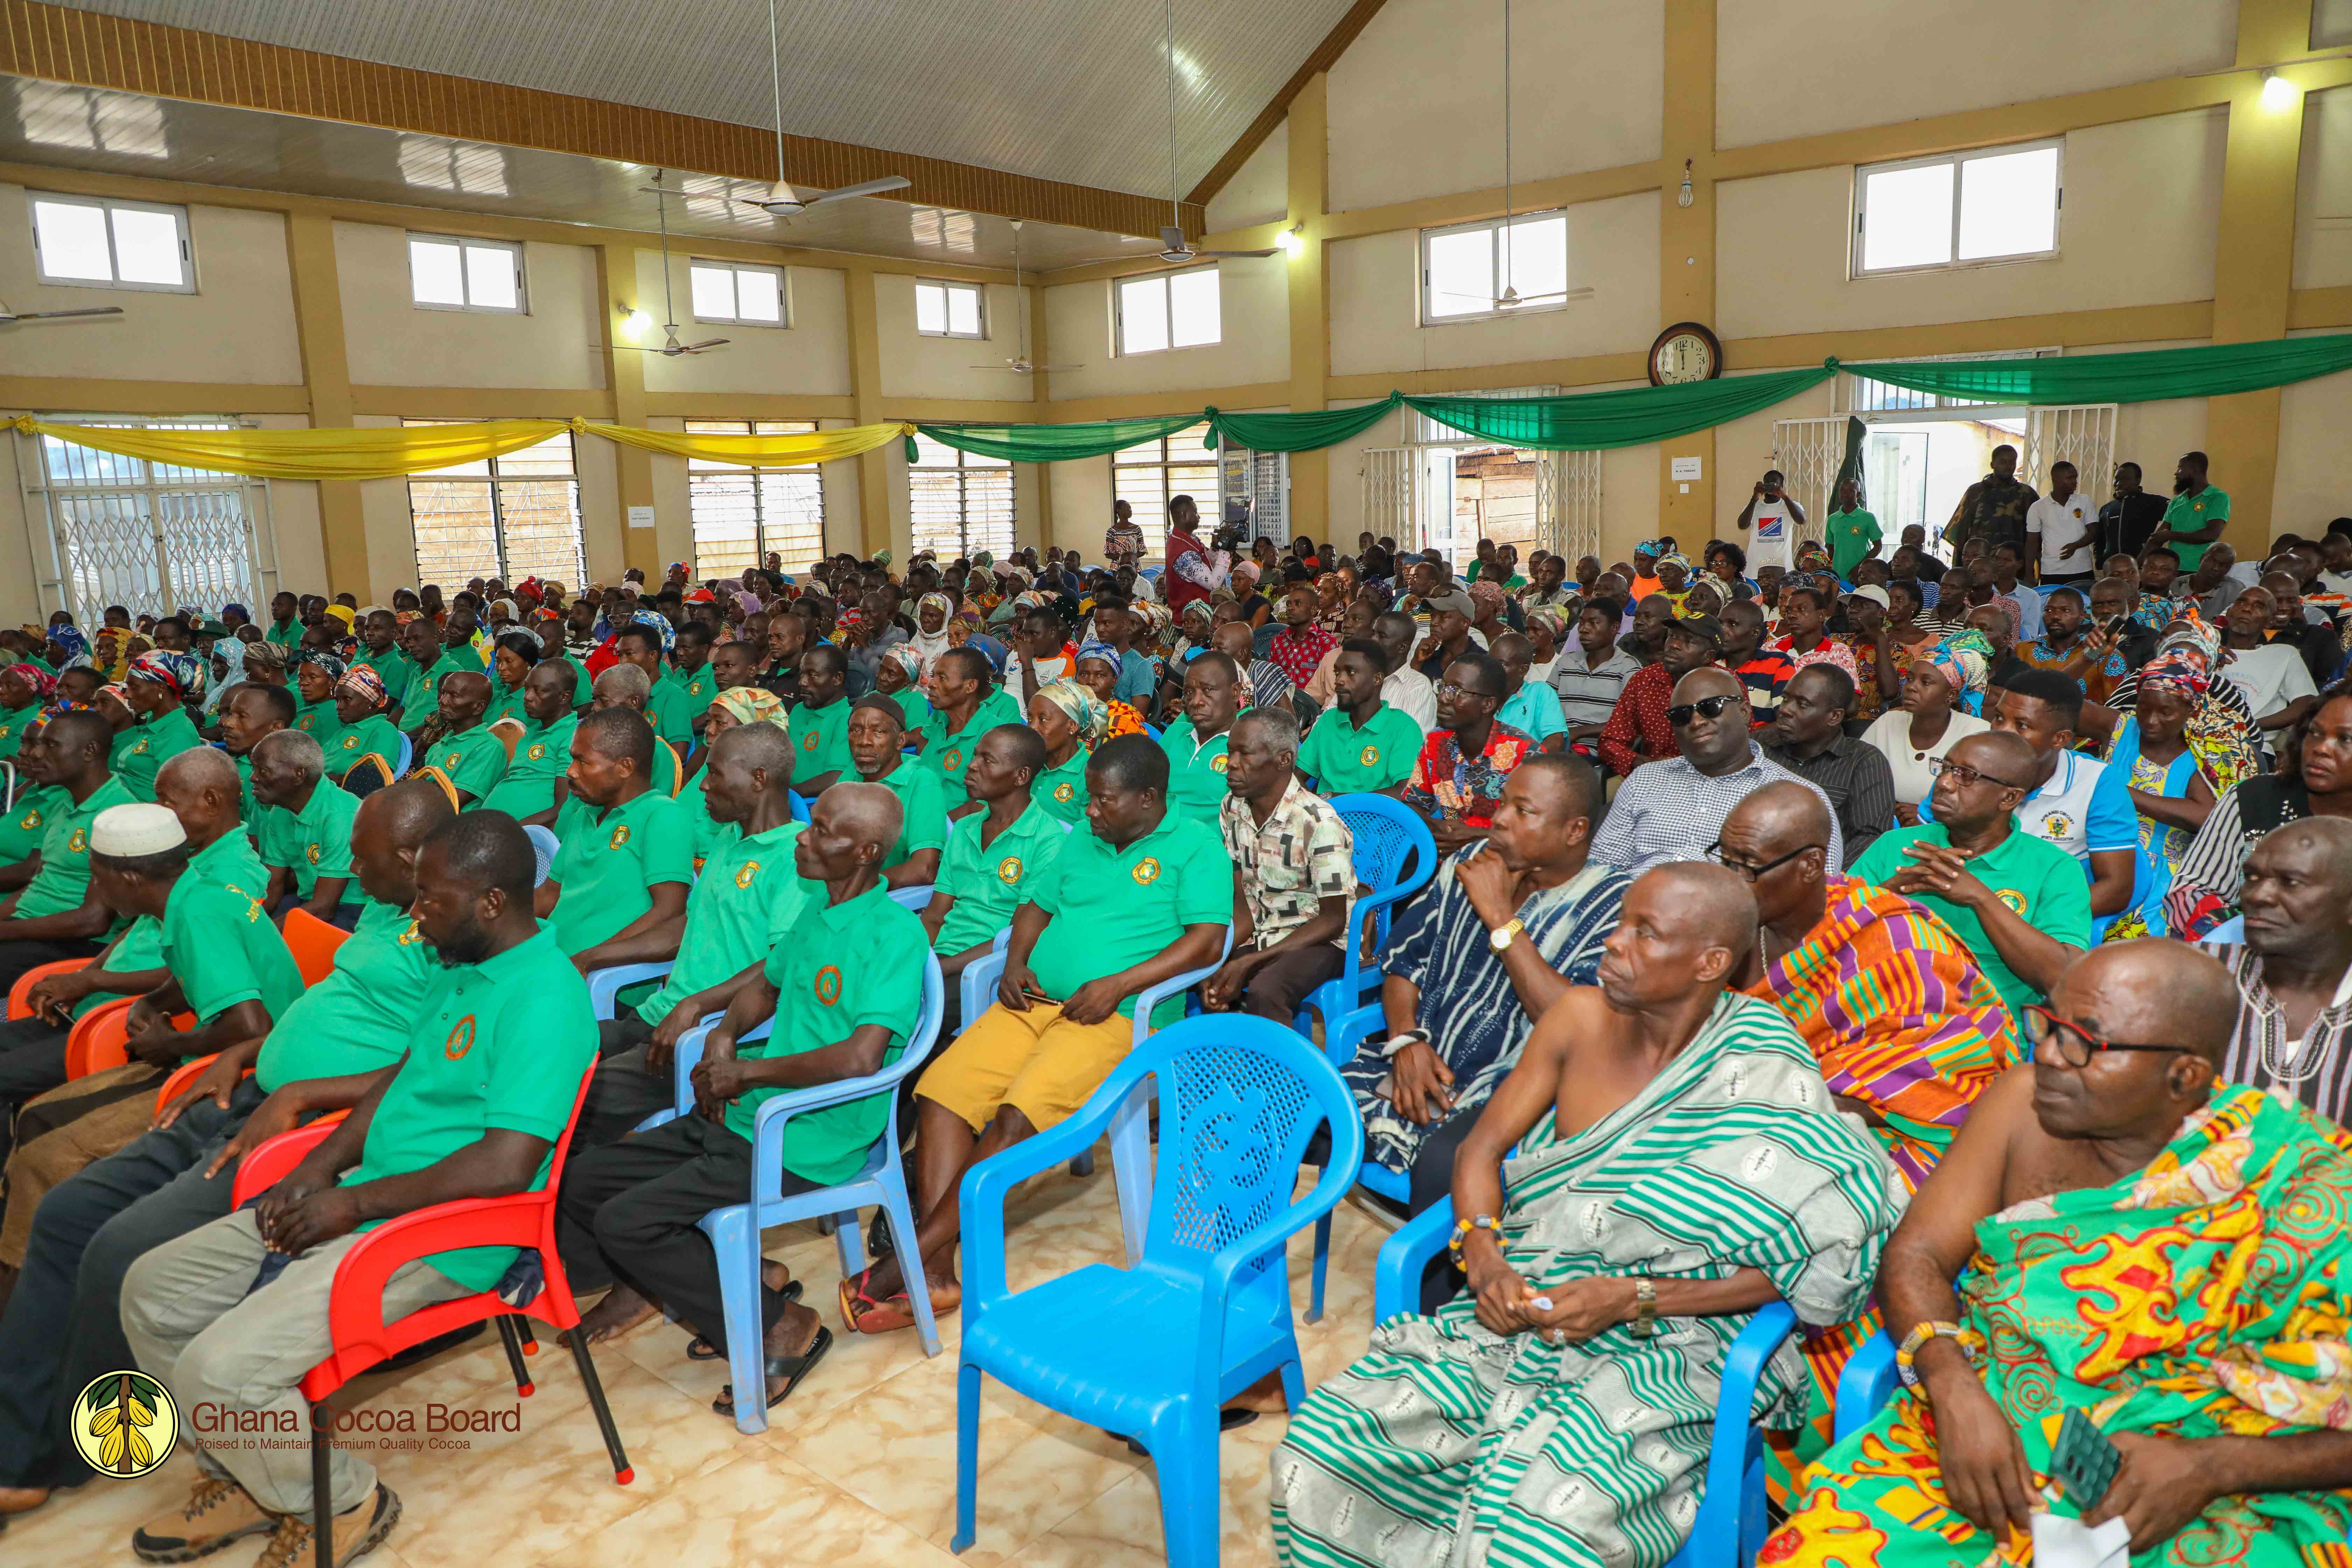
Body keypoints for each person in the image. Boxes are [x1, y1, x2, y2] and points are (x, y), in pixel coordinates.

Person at [1273, 863, 1899, 1568]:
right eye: (1622, 919)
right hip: (1524, 1305)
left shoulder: (1760, 1059)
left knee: (1536, 1536)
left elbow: (1807, 1262)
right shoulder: (1576, 1017)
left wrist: (1635, 1295)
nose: (1614, 941)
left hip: (1676, 1341)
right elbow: (1480, 1150)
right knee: (1325, 1447)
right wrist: (1482, 1256)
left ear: (1712, 962)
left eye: (1644, 932)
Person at [1771, 941, 2352, 1568]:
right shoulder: (2020, 1105)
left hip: (2204, 1468)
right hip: (1993, 1427)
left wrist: (2213, 1467)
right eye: (2048, 1025)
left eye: (2082, 1043)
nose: (2046, 1054)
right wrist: (1953, 1388)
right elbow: (1917, 1254)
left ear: (2183, 1076)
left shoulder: (2302, 1176)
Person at [116, 810, 596, 1567]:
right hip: (372, 1194)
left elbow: (505, 1164)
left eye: (432, 898)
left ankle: (341, 1499)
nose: (416, 912)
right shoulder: (457, 964)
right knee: (152, 1289)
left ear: (493, 903)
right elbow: (400, 1079)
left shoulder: (546, 996)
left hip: (452, 1229)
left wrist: (350, 1203)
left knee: (224, 1369)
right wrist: (319, 1167)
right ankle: (251, 1471)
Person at [0, 782, 454, 1521]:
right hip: (247, 1092)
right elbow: (314, 1008)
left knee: (119, 1250)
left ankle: (61, 1451)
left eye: (361, 853)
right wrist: (247, 1050)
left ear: (409, 859)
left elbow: (435, 1066)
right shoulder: (385, 904)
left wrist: (302, 1092)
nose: (346, 866)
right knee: (65, 1208)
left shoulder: (448, 930)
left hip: (310, 1132)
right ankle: (16, 1427)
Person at [556, 784, 925, 1414]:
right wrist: (725, 1034)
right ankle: (731, 1280)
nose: (804, 836)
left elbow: (861, 1058)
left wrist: (751, 1076)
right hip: (752, 1113)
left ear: (864, 852)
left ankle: (784, 1325)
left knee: (629, 1221)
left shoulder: (893, 935)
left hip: (811, 1134)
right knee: (586, 1177)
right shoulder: (818, 908)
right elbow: (766, 986)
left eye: (823, 831)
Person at [842, 735, 1225, 1332]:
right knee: (941, 1093)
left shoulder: (1196, 846)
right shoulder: (1083, 843)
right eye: (1091, 799)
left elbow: (1206, 941)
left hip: (1116, 1018)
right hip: (1034, 1001)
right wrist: (1016, 961)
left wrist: (1117, 985)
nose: (1091, 811)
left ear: (1148, 799)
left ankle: (910, 1262)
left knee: (1015, 1117)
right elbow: (1035, 910)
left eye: (1104, 801)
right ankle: (937, 1273)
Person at [1337, 754, 1627, 1232]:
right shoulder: (1468, 864)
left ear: (1575, 831)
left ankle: (1443, 1300)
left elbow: (1573, 1023)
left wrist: (1499, 919)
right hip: (1417, 1055)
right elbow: (1403, 962)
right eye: (1504, 803)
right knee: (1288, 1108)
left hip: (1514, 1090)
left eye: (1523, 811)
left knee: (1446, 1166)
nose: (1499, 818)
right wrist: (1407, 1040)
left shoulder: (1610, 906)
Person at [1721, 782, 2016, 1191]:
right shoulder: (1720, 922)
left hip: (1880, 1132)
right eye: (1725, 860)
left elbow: (1945, 1069)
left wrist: (1773, 1102)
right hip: (1745, 1108)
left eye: (1749, 867)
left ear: (1810, 865)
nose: (1733, 880)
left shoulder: (1898, 944)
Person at [1851, 730, 2091, 1024]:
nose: (1943, 783)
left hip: (1986, 1037)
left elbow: (2060, 978)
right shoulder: (1896, 845)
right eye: (1945, 768)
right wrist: (1889, 896)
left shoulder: (2055, 868)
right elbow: (1827, 937)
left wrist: (1980, 898)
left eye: (1965, 776)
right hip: (1882, 1022)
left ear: (2009, 798)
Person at [1920, 666, 2137, 921]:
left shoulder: (2096, 783)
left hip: (2040, 920)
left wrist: (2016, 921)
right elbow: (1925, 847)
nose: (2002, 732)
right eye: (1999, 718)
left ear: (2060, 739)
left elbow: (2116, 890)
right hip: (1954, 912)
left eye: (2022, 725)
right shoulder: (1964, 769)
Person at [1591, 666, 1844, 876]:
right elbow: (1600, 873)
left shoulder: (1800, 799)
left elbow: (1816, 901)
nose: (1697, 722)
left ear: (1745, 712)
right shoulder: (1645, 780)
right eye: (1681, 716)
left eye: (1710, 708)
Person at [1202, 708, 1354, 1022]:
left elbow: (1334, 920)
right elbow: (1242, 898)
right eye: (1231, 752)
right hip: (1261, 929)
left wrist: (1250, 961)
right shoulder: (1232, 807)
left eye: (1245, 754)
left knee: (1266, 990)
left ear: (1284, 760)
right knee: (1203, 969)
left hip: (1320, 939)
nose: (1231, 763)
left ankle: (1276, 1071)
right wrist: (1221, 954)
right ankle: (1226, 1059)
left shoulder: (1317, 821)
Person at [920, 725, 1066, 1034]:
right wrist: (916, 958)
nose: (972, 766)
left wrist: (937, 970)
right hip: (939, 958)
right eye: (975, 756)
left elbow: (1018, 934)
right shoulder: (965, 829)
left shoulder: (1047, 839)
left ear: (1021, 776)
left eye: (988, 760)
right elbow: (934, 916)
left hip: (990, 968)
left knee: (905, 1018)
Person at [540, 707, 692, 962]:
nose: (570, 771)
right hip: (551, 958)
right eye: (572, 760)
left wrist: (591, 958)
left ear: (625, 767)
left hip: (606, 971)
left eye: (584, 762)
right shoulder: (585, 813)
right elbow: (549, 894)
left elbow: (669, 912)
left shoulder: (663, 816)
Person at [0, 709, 134, 994]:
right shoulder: (64, 803)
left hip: (74, 943)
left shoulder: (118, 814)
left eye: (50, 745)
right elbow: (37, 884)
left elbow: (93, 921)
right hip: (31, 929)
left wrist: (5, 931)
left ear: (89, 751)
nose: (36, 754)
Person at [1758, 664, 1894, 868]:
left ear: (1834, 717)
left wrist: (1826, 883)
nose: (1785, 710)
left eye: (1802, 705)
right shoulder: (1759, 748)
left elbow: (1869, 839)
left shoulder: (1864, 761)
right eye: (1786, 699)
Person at [1401, 651, 1533, 852]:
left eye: (1456, 691)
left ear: (1488, 704)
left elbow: (1538, 830)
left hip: (1503, 864)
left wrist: (1478, 838)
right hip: (1443, 858)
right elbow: (1413, 804)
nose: (1443, 698)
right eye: (1443, 687)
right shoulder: (1435, 742)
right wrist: (1434, 826)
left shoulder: (1524, 753)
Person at [1862, 649, 1991, 825]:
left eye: (1926, 683)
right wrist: (1887, 808)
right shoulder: (1888, 722)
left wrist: (1928, 815)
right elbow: (1857, 776)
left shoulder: (1976, 733)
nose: (1911, 687)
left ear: (1951, 695)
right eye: (1909, 679)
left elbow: (1983, 799)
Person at [251, 729, 362, 926]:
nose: (253, 778)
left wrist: (261, 937)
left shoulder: (340, 815)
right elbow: (273, 889)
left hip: (352, 908)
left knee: (272, 944)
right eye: (253, 768)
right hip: (309, 900)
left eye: (263, 771)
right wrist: (247, 922)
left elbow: (325, 909)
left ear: (299, 774)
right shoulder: (279, 812)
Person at [1597, 615, 1725, 776]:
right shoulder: (1644, 680)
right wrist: (1639, 762)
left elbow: (1741, 748)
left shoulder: (1725, 685)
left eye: (1689, 641)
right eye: (1672, 636)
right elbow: (1610, 741)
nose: (1674, 645)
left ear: (1708, 656)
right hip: (1651, 778)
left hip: (1709, 782)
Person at [845, 695, 948, 887]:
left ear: (901, 741)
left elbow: (924, 870)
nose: (864, 741)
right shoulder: (852, 772)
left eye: (878, 732)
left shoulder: (921, 782)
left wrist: (856, 886)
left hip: (884, 898)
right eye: (856, 730)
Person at [1299, 638, 1421, 796]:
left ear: (1377, 679)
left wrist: (1334, 801)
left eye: (1351, 673)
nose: (1339, 681)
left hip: (1374, 819)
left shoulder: (1404, 728)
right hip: (1323, 817)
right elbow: (1296, 777)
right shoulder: (1328, 720)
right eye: (1337, 673)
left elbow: (1405, 792)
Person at [918, 646, 1023, 810]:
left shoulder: (993, 733)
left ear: (971, 686)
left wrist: (936, 825)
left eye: (942, 678)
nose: (931, 684)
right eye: (933, 676)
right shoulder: (940, 719)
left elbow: (984, 804)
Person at [475, 658, 579, 821]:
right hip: (492, 828)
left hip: (528, 837)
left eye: (539, 691)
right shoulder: (529, 733)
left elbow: (563, 809)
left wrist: (512, 831)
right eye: (527, 689)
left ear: (564, 697)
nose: (528, 697)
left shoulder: (573, 736)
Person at [2218, 586, 2319, 751]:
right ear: (2229, 613)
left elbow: (2306, 703)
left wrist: (2251, 724)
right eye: (2241, 602)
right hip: (2199, 741)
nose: (2247, 609)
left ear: (2270, 621)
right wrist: (2206, 656)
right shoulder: (2205, 652)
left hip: (2254, 747)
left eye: (2259, 606)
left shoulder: (2284, 655)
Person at [1156, 649, 1243, 827]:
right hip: (1156, 843)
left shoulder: (1248, 747)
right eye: (1189, 692)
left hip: (1211, 849)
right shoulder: (1176, 734)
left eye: (1208, 690)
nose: (1196, 701)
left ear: (1235, 692)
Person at [114, 650, 205, 803]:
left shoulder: (178, 734)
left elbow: (176, 800)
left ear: (161, 688)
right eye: (127, 687)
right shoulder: (153, 723)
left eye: (135, 687)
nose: (127, 695)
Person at [1944, 442, 2038, 557]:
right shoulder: (1976, 491)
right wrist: (1959, 564)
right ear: (1993, 464)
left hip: (2013, 562)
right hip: (1980, 560)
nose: (2008, 467)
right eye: (2003, 462)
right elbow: (1961, 531)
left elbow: (2036, 534)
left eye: (2012, 462)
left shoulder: (2027, 493)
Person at [785, 643, 853, 797]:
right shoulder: (798, 710)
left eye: (813, 675)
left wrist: (785, 796)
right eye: (802, 674)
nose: (802, 682)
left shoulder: (847, 719)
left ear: (838, 678)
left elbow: (836, 778)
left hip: (814, 808)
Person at [2149, 448, 2229, 572]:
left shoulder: (2218, 497)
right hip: (2172, 571)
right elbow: (2156, 539)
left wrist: (2172, 535)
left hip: (2200, 572)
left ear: (2195, 469)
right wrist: (2137, 565)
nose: (2176, 473)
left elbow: (2211, 534)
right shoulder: (2177, 501)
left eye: (2180, 468)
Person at [1489, 631, 1567, 751]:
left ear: (1523, 670)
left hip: (1528, 766)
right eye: (1490, 662)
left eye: (1502, 664)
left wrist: (1521, 764)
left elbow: (1555, 743)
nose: (1492, 669)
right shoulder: (1481, 696)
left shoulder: (1540, 693)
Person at [2026, 458, 2095, 585]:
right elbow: (2032, 543)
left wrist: (2075, 546)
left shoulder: (2084, 501)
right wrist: (2029, 573)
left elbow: (2094, 532)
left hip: (2083, 569)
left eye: (2076, 478)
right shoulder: (2038, 507)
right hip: (2051, 571)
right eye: (2070, 478)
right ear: (2056, 480)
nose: (2075, 482)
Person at [2096, 458, 2168, 561]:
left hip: (2141, 566)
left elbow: (2178, 516)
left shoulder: (2153, 502)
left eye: (2125, 479)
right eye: (2116, 479)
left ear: (2138, 480)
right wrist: (2100, 561)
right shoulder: (2106, 509)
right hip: (2113, 568)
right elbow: (2100, 541)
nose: (2118, 483)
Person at [1735, 468, 1805, 572]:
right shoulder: (1755, 506)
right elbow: (1742, 525)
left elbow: (1801, 520)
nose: (1770, 487)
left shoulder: (1790, 505)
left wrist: (1784, 497)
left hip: (1783, 568)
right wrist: (1755, 498)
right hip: (1755, 568)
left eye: (1774, 484)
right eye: (1767, 484)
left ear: (1782, 487)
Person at [1823, 474, 1882, 579]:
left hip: (1860, 575)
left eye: (1850, 491)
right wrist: (1828, 568)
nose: (1845, 494)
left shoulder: (1868, 518)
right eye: (1842, 491)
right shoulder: (1833, 519)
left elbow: (1878, 547)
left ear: (1858, 494)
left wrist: (1860, 567)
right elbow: (1830, 547)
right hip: (1838, 574)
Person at [1104, 498, 1146, 570]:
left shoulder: (1136, 529)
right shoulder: (1112, 531)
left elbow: (1143, 551)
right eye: (1127, 508)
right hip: (1118, 568)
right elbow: (1108, 554)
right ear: (1119, 511)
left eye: (1130, 508)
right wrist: (1124, 559)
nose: (1130, 510)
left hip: (1135, 567)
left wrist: (1131, 558)